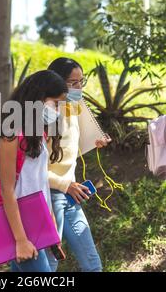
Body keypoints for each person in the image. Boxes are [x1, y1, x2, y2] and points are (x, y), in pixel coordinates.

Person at [46, 57, 111, 272]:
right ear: (55, 82)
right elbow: (33, 170)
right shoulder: (44, 117)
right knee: (50, 263)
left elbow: (66, 151)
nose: (79, 88)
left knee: (93, 265)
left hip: (71, 195)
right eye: (73, 83)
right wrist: (67, 185)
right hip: (47, 197)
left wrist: (94, 142)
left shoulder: (73, 109)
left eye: (82, 81)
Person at [0, 70, 67, 272]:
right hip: (22, 225)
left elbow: (40, 182)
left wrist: (51, 224)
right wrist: (20, 239)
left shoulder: (39, 132)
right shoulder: (11, 134)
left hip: (37, 222)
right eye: (55, 103)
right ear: (38, 98)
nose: (58, 109)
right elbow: (7, 190)